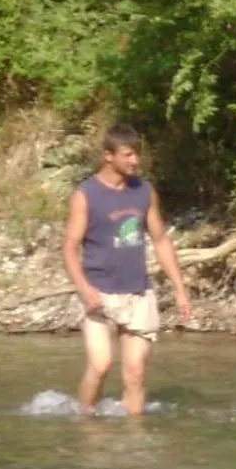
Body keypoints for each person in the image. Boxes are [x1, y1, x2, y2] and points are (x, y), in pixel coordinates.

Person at [61, 123, 194, 417]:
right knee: (101, 364)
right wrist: (84, 289)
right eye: (128, 155)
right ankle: (85, 422)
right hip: (99, 292)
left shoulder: (144, 191)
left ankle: (134, 434)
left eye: (137, 154)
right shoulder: (86, 194)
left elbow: (160, 240)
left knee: (135, 373)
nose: (135, 161)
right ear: (108, 156)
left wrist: (180, 290)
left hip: (138, 292)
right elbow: (69, 248)